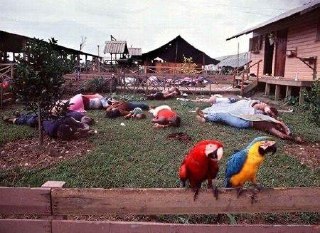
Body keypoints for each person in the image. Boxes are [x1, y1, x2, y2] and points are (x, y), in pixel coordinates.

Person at [195, 108, 302, 143]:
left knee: (223, 115)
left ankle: (205, 117)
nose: (278, 125)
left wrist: (293, 138)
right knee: (226, 113)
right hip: (244, 118)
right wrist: (281, 123)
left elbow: (282, 136)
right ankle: (206, 116)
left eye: (280, 127)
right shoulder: (267, 118)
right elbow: (266, 111)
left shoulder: (270, 126)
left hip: (244, 123)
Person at [2, 111, 95, 140]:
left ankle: (12, 119)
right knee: (27, 118)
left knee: (26, 120)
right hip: (43, 116)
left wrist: (85, 130)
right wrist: (86, 130)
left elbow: (73, 132)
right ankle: (16, 117)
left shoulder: (52, 131)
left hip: (37, 120)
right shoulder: (63, 124)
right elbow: (74, 128)